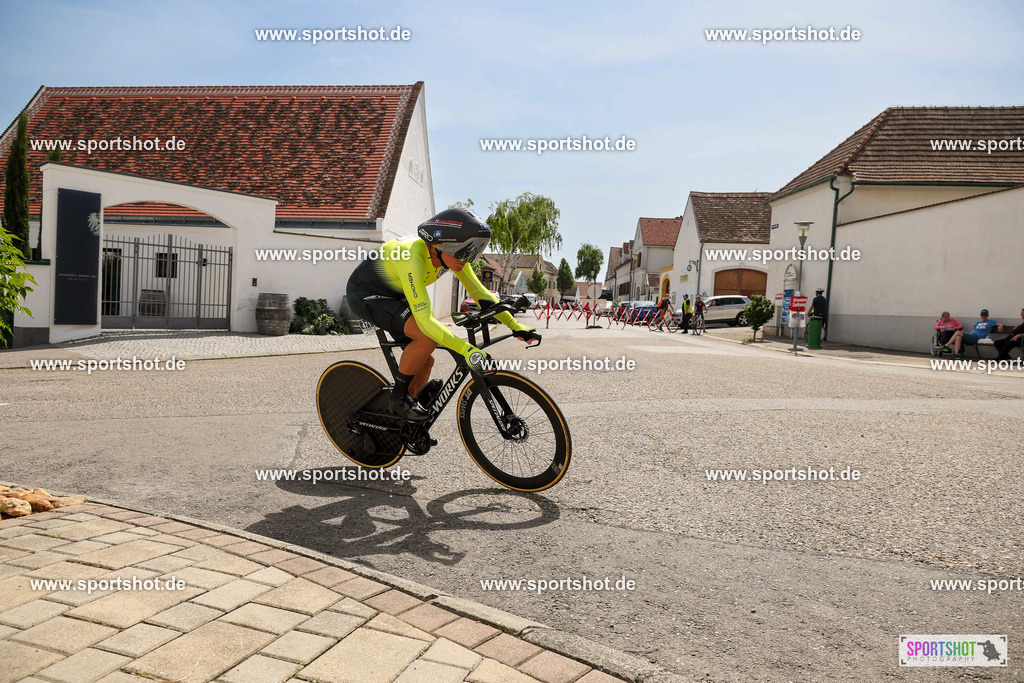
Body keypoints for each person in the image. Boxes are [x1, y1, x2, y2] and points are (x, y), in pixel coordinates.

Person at [346, 207, 539, 422]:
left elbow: (479, 293)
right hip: (365, 294)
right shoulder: (412, 255)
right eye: (463, 251)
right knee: (426, 337)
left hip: (394, 296)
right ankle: (398, 399)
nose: (467, 259)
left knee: (425, 361)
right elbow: (426, 320)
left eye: (471, 252)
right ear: (440, 244)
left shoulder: (453, 257)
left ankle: (406, 415)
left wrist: (515, 326)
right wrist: (466, 350)